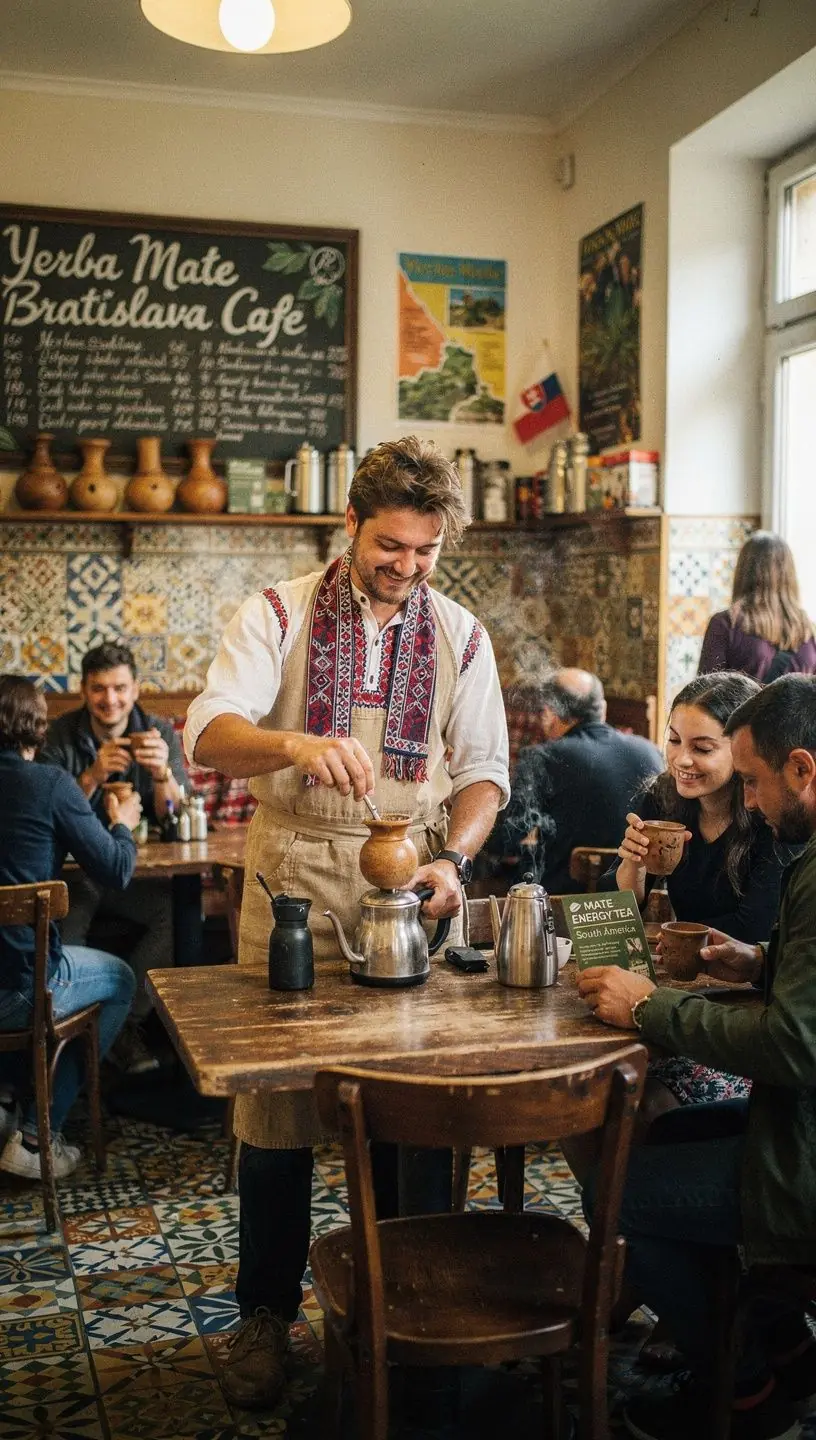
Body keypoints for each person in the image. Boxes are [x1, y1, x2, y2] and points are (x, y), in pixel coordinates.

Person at [184, 436, 510, 1410]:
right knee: (277, 1121)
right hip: (288, 885)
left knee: (415, 1107)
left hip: (405, 888)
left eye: (424, 551)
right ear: (350, 526)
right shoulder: (276, 612)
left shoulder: (460, 636)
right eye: (389, 548)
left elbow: (486, 771)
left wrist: (454, 857)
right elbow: (209, 733)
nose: (406, 568)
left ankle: (415, 1311)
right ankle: (264, 1318)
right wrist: (293, 742)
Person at [576, 673, 816, 1440]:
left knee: (623, 1187)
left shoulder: (797, 859)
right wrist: (761, 963)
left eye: (751, 778)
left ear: (802, 769)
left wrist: (649, 1005)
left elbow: (790, 1044)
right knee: (658, 1135)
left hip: (806, 1151)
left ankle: (742, 1386)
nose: (748, 800)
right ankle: (782, 1341)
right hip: (796, 1122)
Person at [611, 671, 788, 1112]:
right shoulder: (662, 799)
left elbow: (753, 929)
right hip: (679, 994)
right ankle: (616, 1183)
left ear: (743, 750)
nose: (681, 760)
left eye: (702, 748)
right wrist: (632, 864)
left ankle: (636, 1180)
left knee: (637, 1103)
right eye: (673, 741)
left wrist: (663, 942)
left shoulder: (770, 817)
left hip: (742, 1013)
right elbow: (620, 905)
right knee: (585, 1093)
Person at [0, 676, 138, 1180]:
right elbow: (117, 871)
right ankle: (37, 1135)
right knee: (121, 978)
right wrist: (121, 820)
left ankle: (8, 1100)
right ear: (37, 728)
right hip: (22, 987)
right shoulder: (50, 783)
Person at [40, 642, 187, 1071]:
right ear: (84, 691)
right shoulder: (58, 735)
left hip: (137, 877)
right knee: (65, 924)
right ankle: (64, 1037)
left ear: (136, 689)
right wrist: (91, 776)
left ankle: (122, 1024)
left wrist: (163, 776)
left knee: (174, 915)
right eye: (100, 689)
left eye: (120, 688)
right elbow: (49, 816)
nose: (111, 699)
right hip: (77, 875)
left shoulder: (158, 731)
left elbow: (176, 819)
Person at [491, 669, 662, 893]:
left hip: (564, 902)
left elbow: (507, 839)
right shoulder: (650, 751)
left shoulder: (541, 757)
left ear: (550, 713)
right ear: (603, 709)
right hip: (636, 899)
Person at [698, 531, 816, 682]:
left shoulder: (726, 625)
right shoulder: (809, 633)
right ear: (789, 574)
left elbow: (702, 697)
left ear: (743, 572)